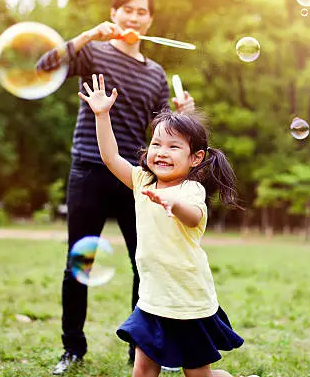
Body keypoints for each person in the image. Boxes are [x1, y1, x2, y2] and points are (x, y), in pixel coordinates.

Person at [36, 0, 195, 375]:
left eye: (141, 11)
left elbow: (161, 133)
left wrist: (183, 115)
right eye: (127, 10)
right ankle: (72, 348)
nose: (134, 17)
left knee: (146, 263)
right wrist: (88, 34)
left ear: (150, 20)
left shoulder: (156, 74)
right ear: (114, 13)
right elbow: (44, 66)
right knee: (80, 262)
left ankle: (141, 351)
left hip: (134, 178)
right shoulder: (93, 52)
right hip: (88, 168)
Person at [79, 73, 244, 376]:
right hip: (153, 298)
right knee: (143, 370)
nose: (161, 152)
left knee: (197, 375)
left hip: (188, 299)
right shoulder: (142, 181)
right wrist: (102, 116)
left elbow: (194, 216)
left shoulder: (190, 191)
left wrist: (174, 204)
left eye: (173, 147)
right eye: (156, 144)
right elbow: (110, 156)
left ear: (196, 158)